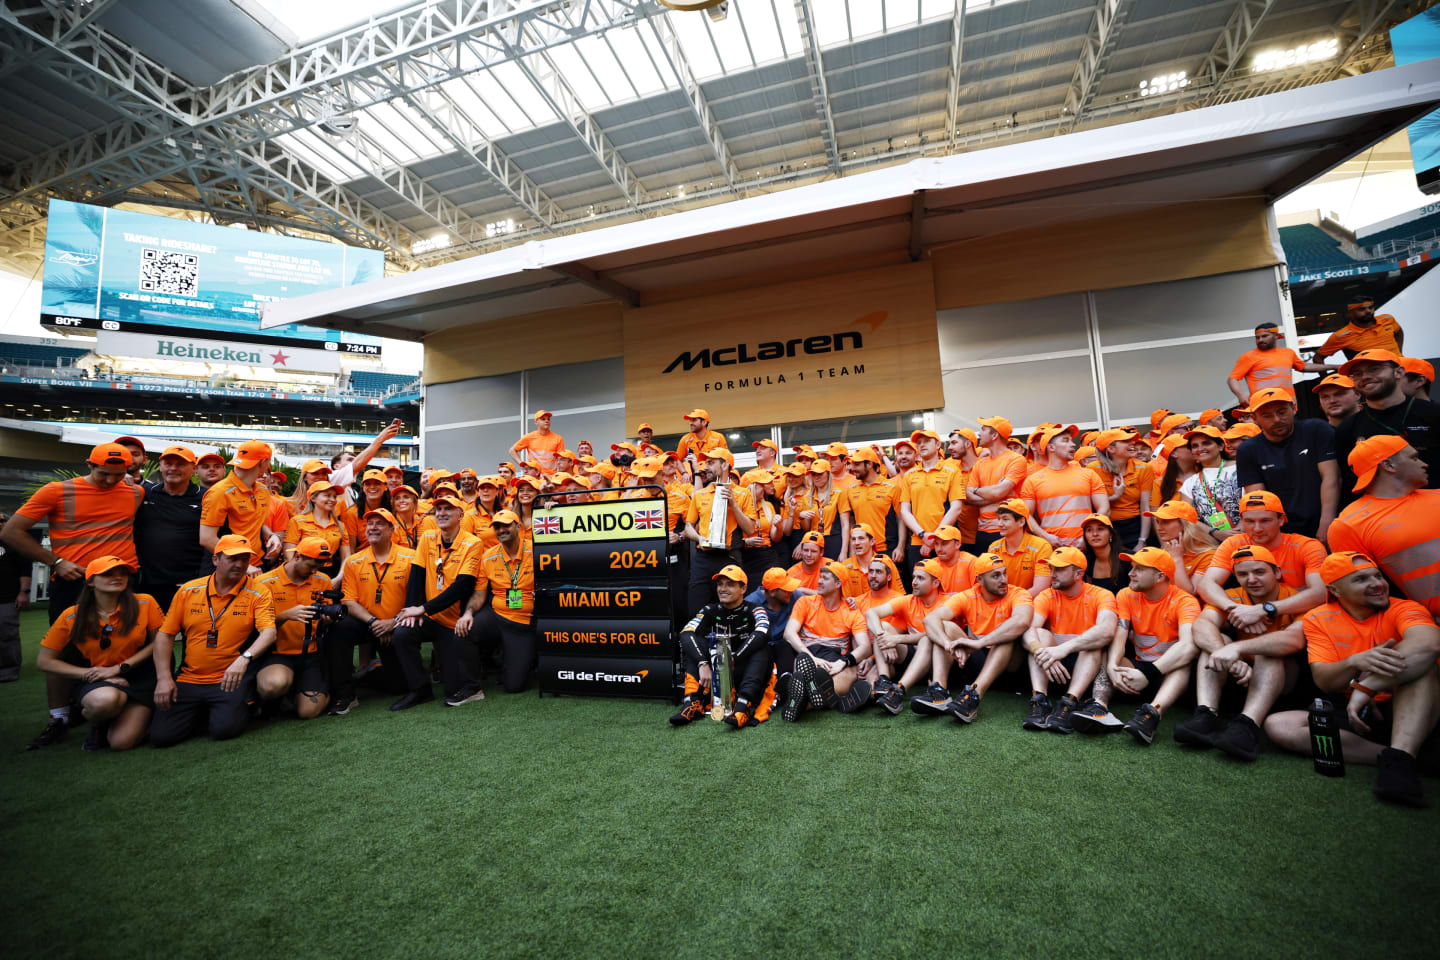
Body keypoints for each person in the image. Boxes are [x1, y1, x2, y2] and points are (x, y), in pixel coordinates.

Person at [1263, 552, 1440, 807]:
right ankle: (1399, 756)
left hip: (1407, 706)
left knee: (1424, 671)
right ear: (1335, 590)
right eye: (1361, 579)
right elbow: (1324, 680)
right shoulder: (1319, 617)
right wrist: (1352, 662)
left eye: (1377, 576)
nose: (1377, 583)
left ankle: (1400, 760)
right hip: (1356, 712)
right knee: (1280, 725)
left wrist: (1365, 687)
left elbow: (1428, 644)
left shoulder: (1405, 607)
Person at [4, 442, 143, 750]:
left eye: (118, 475)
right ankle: (59, 718)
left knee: (125, 646)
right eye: (104, 473)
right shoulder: (56, 491)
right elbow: (11, 532)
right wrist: (55, 561)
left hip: (123, 581)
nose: (110, 481)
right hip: (74, 581)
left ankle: (111, 713)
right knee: (64, 648)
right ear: (88, 465)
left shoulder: (134, 492)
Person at [1171, 544, 1306, 760]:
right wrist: (1227, 654)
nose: (1251, 579)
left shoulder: (1293, 598)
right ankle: (1206, 714)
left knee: (1266, 649)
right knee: (1216, 641)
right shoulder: (1233, 596)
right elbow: (1201, 626)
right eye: (1243, 574)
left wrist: (1237, 648)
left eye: (1259, 572)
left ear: (1277, 572)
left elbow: (1295, 640)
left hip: (1281, 681)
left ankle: (1247, 725)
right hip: (1238, 674)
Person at [150, 535, 277, 747]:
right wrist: (164, 678)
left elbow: (269, 632)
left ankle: (230, 706)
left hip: (229, 676)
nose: (240, 564)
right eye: (233, 558)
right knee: (161, 737)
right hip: (190, 677)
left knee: (225, 730)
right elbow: (165, 634)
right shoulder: (188, 590)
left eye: (245, 559)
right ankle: (203, 710)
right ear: (215, 559)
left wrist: (244, 659)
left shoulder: (258, 591)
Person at [37, 558, 162, 751]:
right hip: (98, 680)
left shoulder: (145, 602)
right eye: (108, 574)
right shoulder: (71, 615)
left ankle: (130, 718)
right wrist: (94, 673)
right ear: (90, 581)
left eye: (122, 573)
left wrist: (119, 669)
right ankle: (99, 723)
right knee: (104, 701)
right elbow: (44, 661)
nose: (117, 577)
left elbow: (160, 642)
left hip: (139, 677)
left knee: (121, 742)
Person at [1089, 547, 1201, 745]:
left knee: (1183, 661)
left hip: (1167, 673)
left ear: (1159, 576)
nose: (1130, 573)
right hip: (1138, 668)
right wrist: (1113, 667)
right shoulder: (1126, 595)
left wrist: (1149, 673)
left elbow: (1188, 646)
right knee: (1106, 648)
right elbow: (1120, 635)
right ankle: (1099, 707)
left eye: (1139, 569)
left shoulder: (1185, 601)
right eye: (1132, 567)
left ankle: (1151, 714)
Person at [913, 553, 1033, 722]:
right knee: (945, 627)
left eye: (1004, 573)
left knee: (1006, 632)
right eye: (996, 576)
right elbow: (930, 619)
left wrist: (981, 643)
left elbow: (1022, 621)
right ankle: (939, 692)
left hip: (1010, 668)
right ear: (980, 580)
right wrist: (948, 644)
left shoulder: (1018, 593)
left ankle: (974, 695)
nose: (1004, 579)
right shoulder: (967, 596)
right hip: (977, 660)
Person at [1328, 436, 1440, 615]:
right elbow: (1360, 595)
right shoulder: (1349, 524)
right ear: (1388, 465)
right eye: (1414, 457)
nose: (1424, 463)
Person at [389, 496, 482, 709]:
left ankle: (470, 681)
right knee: (403, 632)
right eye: (438, 509)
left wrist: (422, 608)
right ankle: (420, 690)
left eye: (448, 509)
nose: (441, 513)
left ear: (461, 515)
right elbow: (417, 576)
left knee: (453, 689)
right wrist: (412, 611)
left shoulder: (473, 543)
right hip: (431, 617)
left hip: (456, 621)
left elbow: (463, 586)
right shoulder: (428, 537)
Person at [331, 507, 418, 715]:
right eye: (370, 524)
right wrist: (374, 623)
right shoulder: (353, 561)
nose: (373, 527)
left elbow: (417, 599)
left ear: (392, 529)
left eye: (380, 523)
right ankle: (345, 693)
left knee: (399, 687)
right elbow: (350, 602)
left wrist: (393, 622)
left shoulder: (411, 557)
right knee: (339, 629)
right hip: (368, 623)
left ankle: (370, 673)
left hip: (399, 624)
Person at [1021, 547, 1118, 734]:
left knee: (1093, 641)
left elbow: (1107, 631)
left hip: (1087, 669)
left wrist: (1064, 649)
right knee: (1038, 635)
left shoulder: (1101, 594)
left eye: (1059, 569)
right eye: (1051, 569)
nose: (1052, 574)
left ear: (1078, 573)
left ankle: (1069, 703)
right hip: (1051, 665)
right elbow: (1027, 630)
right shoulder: (1047, 595)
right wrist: (1039, 650)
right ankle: (1040, 700)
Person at [669, 565, 774, 729]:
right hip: (716, 675)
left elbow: (763, 632)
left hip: (744, 671)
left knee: (762, 647)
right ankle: (691, 702)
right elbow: (685, 633)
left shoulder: (755, 609)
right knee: (695, 640)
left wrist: (735, 658)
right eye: (720, 584)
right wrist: (702, 663)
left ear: (743, 588)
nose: (723, 589)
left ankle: (742, 707)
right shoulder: (710, 610)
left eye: (730, 584)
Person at [1197, 491, 1327, 620]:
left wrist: (1265, 610)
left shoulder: (1307, 546)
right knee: (1207, 618)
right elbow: (1206, 584)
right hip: (1247, 616)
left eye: (1265, 521)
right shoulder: (1233, 543)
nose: (1257, 529)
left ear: (1281, 520)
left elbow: (1320, 593)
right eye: (1250, 521)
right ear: (1241, 520)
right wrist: (1237, 610)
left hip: (1297, 615)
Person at [1235, 387, 1338, 541]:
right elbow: (1258, 499)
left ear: (1294, 408)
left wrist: (1327, 522)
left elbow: (1331, 477)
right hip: (1283, 530)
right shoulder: (1247, 450)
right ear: (1254, 418)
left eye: (1282, 412)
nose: (1276, 419)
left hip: (1329, 519)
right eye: (1267, 415)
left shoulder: (1317, 429)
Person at [1333, 349, 1440, 494]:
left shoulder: (1433, 413)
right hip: (1381, 512)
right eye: (1357, 374)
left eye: (1374, 369)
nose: (1365, 376)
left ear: (1399, 372)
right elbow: (1349, 481)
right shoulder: (1347, 429)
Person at [776, 562, 872, 722]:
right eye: (820, 577)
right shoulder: (805, 602)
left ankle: (801, 702)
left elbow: (865, 647)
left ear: (838, 584)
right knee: (800, 663)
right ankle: (833, 701)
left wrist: (843, 662)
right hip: (806, 654)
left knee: (851, 669)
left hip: (833, 658)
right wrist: (811, 657)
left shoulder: (852, 612)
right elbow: (789, 633)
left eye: (825, 578)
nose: (819, 581)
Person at [253, 538, 335, 720]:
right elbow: (253, 627)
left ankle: (306, 692)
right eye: (311, 565)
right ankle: (276, 695)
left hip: (311, 652)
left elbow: (327, 616)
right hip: (278, 653)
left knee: (308, 712)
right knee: (272, 685)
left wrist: (327, 619)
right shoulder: (265, 583)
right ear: (297, 556)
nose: (315, 571)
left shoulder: (323, 580)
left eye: (319, 566)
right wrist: (285, 615)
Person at [456, 510, 536, 695]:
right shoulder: (488, 556)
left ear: (518, 526)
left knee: (514, 686)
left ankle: (522, 661)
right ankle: (472, 687)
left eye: (506, 525)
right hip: (497, 614)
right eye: (497, 527)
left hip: (523, 621)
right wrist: (468, 613)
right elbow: (478, 594)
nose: (501, 530)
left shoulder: (537, 550)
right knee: (463, 631)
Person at [863, 559, 951, 714]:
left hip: (942, 660)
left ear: (936, 583)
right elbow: (871, 613)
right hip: (913, 657)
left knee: (926, 639)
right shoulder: (909, 600)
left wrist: (896, 639)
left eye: (920, 578)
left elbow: (932, 635)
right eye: (914, 577)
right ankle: (883, 681)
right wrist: (882, 637)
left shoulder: (948, 603)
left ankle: (899, 691)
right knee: (882, 627)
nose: (914, 582)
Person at [683, 449, 757, 615]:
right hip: (702, 559)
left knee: (730, 611)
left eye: (710, 462)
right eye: (705, 463)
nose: (705, 467)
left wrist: (734, 505)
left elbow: (750, 529)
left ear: (725, 465)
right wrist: (699, 538)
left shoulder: (743, 494)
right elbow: (688, 527)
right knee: (696, 609)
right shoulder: (700, 494)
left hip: (729, 558)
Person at [132, 445, 205, 613]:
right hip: (149, 583)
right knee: (147, 634)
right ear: (160, 466)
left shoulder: (206, 497)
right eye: (168, 463)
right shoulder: (145, 493)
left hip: (190, 582)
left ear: (194, 468)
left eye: (180, 464)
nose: (173, 468)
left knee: (193, 635)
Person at [200, 439, 282, 572]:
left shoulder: (262, 490)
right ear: (263, 462)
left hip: (257, 565)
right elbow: (206, 538)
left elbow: (255, 519)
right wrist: (241, 564)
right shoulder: (219, 492)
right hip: (225, 569)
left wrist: (271, 535)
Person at [1021, 425, 1108, 548]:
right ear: (1051, 447)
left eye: (1072, 441)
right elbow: (1026, 514)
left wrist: (1087, 537)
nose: (1073, 444)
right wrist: (1045, 536)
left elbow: (1104, 508)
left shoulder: (1088, 474)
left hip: (1087, 546)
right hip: (1053, 549)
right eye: (1066, 440)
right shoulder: (1032, 480)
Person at [897, 429, 965, 570]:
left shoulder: (952, 471)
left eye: (927, 441)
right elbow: (904, 511)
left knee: (948, 587)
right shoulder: (909, 475)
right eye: (919, 443)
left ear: (938, 444)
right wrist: (923, 535)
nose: (922, 445)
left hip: (946, 540)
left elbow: (956, 508)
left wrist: (934, 538)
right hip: (917, 541)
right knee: (920, 588)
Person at [1226, 321, 1334, 405]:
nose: (1260, 340)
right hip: (1262, 405)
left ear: (1276, 336)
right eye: (1257, 337)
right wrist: (1241, 396)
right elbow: (1232, 379)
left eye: (1264, 336)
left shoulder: (1288, 353)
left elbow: (1304, 367)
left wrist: (1336, 366)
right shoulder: (1248, 356)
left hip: (1288, 403)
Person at [967, 417, 1028, 553]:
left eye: (983, 430)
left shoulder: (1016, 460)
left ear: (994, 435)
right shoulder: (980, 463)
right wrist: (995, 493)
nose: (979, 434)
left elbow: (996, 492)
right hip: (982, 531)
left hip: (1007, 530)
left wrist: (977, 490)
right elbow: (968, 496)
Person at [1088, 429, 1153, 551]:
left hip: (1134, 526)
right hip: (1105, 526)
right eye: (1126, 441)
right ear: (1111, 449)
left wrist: (1142, 540)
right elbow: (1089, 504)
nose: (1132, 443)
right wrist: (1115, 497)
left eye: (1132, 440)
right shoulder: (1093, 469)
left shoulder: (1144, 468)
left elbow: (1146, 507)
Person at [1178, 425, 1241, 538]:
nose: (1200, 448)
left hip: (1248, 537)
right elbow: (1185, 517)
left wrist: (1239, 533)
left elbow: (1255, 504)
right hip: (1213, 545)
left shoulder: (1241, 469)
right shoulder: (1190, 482)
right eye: (1195, 446)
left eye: (1206, 443)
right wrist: (1214, 533)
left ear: (1221, 446)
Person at [1146, 500, 1218, 596]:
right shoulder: (1165, 550)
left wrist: (1177, 559)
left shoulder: (1209, 555)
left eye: (1165, 522)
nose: (1159, 527)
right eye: (1157, 522)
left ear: (1185, 525)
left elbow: (1189, 593)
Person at [283, 480, 351, 580]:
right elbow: (289, 554)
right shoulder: (298, 521)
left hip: (331, 574)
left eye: (334, 496)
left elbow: (346, 556)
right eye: (327, 495)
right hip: (303, 572)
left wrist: (338, 578)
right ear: (313, 498)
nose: (332, 499)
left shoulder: (340, 526)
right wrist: (300, 573)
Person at [836, 447, 899, 556]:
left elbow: (900, 519)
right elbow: (851, 522)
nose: (852, 468)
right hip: (861, 549)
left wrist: (900, 547)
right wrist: (852, 550)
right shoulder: (850, 490)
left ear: (869, 464)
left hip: (887, 549)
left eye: (856, 464)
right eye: (852, 464)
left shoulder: (892, 488)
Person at [988, 499, 1051, 597]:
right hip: (1001, 602)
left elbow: (1040, 588)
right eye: (998, 519)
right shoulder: (993, 548)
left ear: (1021, 522)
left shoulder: (1041, 546)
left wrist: (1014, 602)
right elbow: (990, 585)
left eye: (1005, 519)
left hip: (1030, 604)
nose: (999, 524)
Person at [1313, 296, 1403, 361]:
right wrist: (1324, 378)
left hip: (1401, 365)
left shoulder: (1387, 318)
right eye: (1362, 309)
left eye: (1370, 308)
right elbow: (1318, 358)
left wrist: (1399, 352)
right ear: (1350, 314)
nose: (1368, 311)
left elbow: (1399, 332)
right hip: (1376, 377)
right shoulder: (1341, 335)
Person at [0, 511, 32, 683]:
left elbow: (25, 570)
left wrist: (23, 592)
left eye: (1, 520)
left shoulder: (15, 543)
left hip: (7, 597)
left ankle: (9, 670)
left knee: (6, 633)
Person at [1080, 514, 1129, 596]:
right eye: (1089, 530)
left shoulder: (1127, 558)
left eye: (1100, 529)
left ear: (1111, 534)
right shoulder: (1085, 561)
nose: (1095, 534)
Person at [510, 410, 566, 475]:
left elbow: (561, 459)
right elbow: (512, 450)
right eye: (543, 419)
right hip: (534, 477)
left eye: (548, 419)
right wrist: (522, 464)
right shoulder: (529, 437)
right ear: (536, 422)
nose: (547, 421)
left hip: (551, 476)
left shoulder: (558, 438)